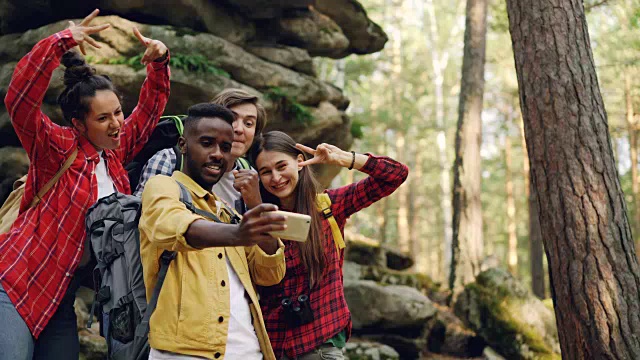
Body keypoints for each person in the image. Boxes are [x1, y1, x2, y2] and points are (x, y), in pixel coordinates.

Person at [0, 9, 170, 360]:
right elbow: (18, 101)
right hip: (14, 285)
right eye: (103, 118)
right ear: (78, 123)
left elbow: (149, 112)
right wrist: (59, 43)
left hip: (59, 298)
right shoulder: (56, 149)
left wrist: (159, 62)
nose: (117, 124)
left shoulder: (114, 155)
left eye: (118, 112)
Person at [139, 103, 287, 360]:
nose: (218, 154)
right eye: (207, 143)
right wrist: (237, 234)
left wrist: (255, 204)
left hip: (250, 351)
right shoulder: (163, 186)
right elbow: (171, 224)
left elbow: (270, 273)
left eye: (225, 148)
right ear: (183, 145)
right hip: (182, 352)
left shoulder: (229, 212)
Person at [249, 131, 409, 359]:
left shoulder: (329, 206)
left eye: (281, 166)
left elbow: (396, 174)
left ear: (300, 161)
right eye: (266, 172)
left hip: (321, 344)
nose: (275, 178)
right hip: (271, 347)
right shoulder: (254, 217)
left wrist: (344, 158)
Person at [134, 88, 267, 211]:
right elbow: (141, 213)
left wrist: (255, 202)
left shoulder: (250, 174)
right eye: (232, 119)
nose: (239, 129)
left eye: (249, 123)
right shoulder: (170, 159)